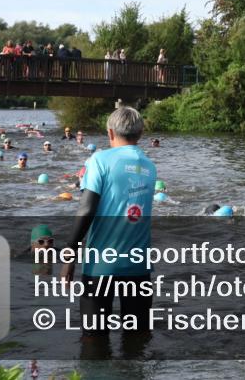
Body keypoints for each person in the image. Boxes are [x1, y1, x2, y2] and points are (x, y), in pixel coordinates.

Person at [61, 106, 157, 349]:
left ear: (110, 133)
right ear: (141, 133)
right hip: (138, 265)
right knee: (137, 339)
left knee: (94, 338)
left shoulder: (99, 160)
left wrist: (70, 256)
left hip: (102, 264)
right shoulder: (149, 166)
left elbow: (86, 209)